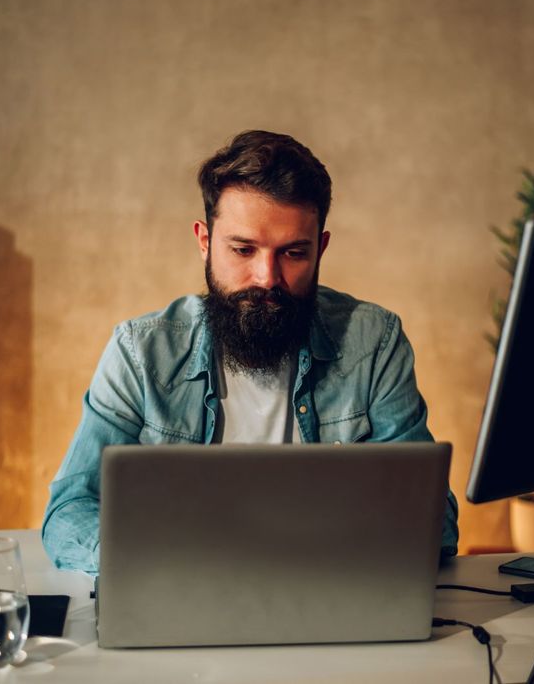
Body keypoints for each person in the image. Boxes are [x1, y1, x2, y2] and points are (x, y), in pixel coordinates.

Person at [42, 130, 458, 574]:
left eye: (294, 253)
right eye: (243, 249)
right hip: (184, 591)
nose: (266, 277)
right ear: (204, 241)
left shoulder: (373, 342)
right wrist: (162, 567)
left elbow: (436, 523)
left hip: (327, 595)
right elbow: (69, 512)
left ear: (321, 248)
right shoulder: (140, 352)